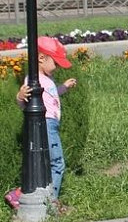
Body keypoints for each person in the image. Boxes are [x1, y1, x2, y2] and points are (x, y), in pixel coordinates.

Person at [6, 37, 77, 212]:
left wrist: (64, 87)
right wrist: (20, 97)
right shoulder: (33, 79)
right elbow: (25, 103)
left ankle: (21, 195)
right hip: (45, 124)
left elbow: (51, 94)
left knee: (44, 164)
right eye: (56, 63)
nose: (58, 67)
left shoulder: (46, 78)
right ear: (41, 58)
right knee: (57, 163)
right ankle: (51, 203)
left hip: (48, 124)